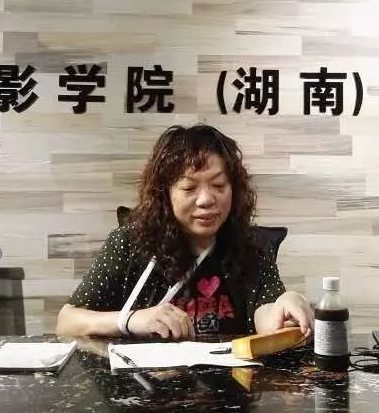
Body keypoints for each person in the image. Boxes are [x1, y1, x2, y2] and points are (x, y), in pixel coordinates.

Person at [56, 124, 314, 339]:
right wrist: (131, 320)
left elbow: (266, 315)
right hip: (142, 382)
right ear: (165, 194)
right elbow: (67, 322)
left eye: (219, 185)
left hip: (230, 382)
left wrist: (285, 307)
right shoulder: (130, 242)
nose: (206, 200)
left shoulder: (251, 246)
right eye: (189, 188)